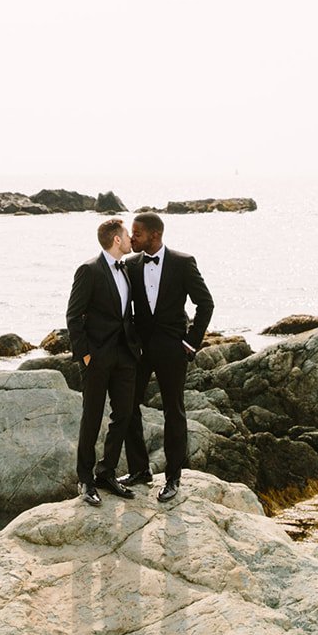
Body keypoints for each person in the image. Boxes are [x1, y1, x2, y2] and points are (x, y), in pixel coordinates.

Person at [119, 212, 214, 502]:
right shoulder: (130, 265)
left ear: (155, 235)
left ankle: (173, 477)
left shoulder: (183, 263)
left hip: (173, 349)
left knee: (174, 411)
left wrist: (190, 342)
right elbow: (123, 308)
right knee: (127, 406)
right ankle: (139, 469)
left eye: (136, 233)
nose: (131, 238)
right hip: (139, 350)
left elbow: (205, 303)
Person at [66, 218, 144, 505]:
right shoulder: (89, 270)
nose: (131, 239)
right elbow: (73, 315)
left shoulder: (126, 268)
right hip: (97, 357)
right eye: (126, 234)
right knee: (92, 417)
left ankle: (106, 472)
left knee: (123, 414)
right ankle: (85, 480)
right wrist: (85, 355)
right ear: (116, 239)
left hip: (125, 355)